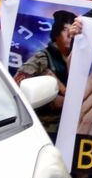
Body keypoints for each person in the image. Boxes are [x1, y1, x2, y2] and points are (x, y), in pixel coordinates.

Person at [15, 10, 80, 138]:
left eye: (71, 31)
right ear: (56, 34)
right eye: (64, 30)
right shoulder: (43, 58)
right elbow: (18, 84)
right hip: (47, 128)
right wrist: (50, 99)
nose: (69, 35)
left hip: (73, 127)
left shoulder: (79, 59)